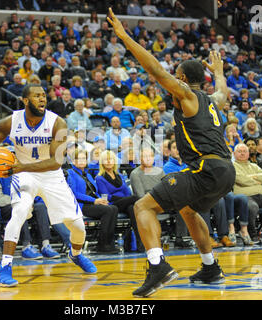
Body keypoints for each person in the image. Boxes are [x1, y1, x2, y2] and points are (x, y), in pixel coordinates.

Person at [108, 9, 235, 297]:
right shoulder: (212, 100)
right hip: (225, 171)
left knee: (143, 207)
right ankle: (210, 267)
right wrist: (219, 73)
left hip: (206, 169)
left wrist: (125, 37)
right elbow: (223, 93)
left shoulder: (187, 96)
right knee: (188, 210)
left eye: (175, 77)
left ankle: (158, 266)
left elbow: (155, 70)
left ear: (181, 78)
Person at [0, 84, 97, 287]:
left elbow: (56, 161)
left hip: (51, 175)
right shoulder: (10, 122)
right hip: (24, 175)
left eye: (44, 95)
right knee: (18, 212)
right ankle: (4, 267)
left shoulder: (58, 123)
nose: (42, 99)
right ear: (25, 100)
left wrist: (20, 166)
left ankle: (76, 254)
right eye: (37, 95)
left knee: (78, 226)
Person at [0, 174, 64, 258]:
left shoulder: (23, 172)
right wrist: (20, 201)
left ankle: (46, 245)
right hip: (1, 207)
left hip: (24, 202)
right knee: (20, 208)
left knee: (40, 207)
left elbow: (33, 192)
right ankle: (26, 246)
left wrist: (30, 200)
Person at [67, 149, 118, 254]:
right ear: (72, 161)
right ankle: (102, 244)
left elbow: (95, 192)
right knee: (107, 211)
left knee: (114, 208)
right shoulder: (70, 173)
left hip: (93, 203)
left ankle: (110, 243)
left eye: (83, 158)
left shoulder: (88, 174)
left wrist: (102, 200)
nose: (81, 161)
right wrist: (95, 200)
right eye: (78, 159)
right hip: (82, 205)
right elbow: (74, 193)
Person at [95, 150, 143, 252]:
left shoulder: (120, 175)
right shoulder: (99, 178)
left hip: (125, 203)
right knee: (135, 198)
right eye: (106, 160)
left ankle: (140, 243)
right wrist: (125, 199)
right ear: (102, 162)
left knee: (132, 208)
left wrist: (126, 199)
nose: (108, 161)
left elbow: (127, 192)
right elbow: (106, 196)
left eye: (111, 159)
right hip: (112, 205)